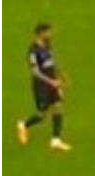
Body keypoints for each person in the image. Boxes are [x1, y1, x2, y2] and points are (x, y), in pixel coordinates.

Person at [16, 20, 71, 152]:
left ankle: (55, 141)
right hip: (41, 86)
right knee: (42, 115)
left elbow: (51, 63)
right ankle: (23, 125)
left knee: (58, 107)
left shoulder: (47, 45)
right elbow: (35, 72)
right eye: (48, 32)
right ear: (40, 33)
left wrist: (60, 76)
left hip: (53, 83)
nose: (50, 34)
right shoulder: (33, 51)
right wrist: (52, 82)